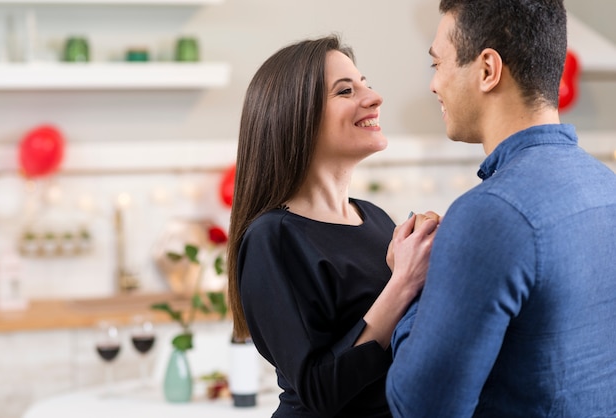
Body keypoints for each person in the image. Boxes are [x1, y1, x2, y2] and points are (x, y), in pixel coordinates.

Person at [386, 1, 616, 417]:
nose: (434, 85)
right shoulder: (608, 187)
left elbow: (419, 408)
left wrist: (414, 284)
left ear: (488, 70)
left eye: (438, 64)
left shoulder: (489, 214)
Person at [226, 35, 438, 417]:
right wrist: (403, 281)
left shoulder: (373, 217)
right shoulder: (272, 237)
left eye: (365, 84)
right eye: (345, 91)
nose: (374, 97)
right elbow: (319, 389)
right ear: (295, 114)